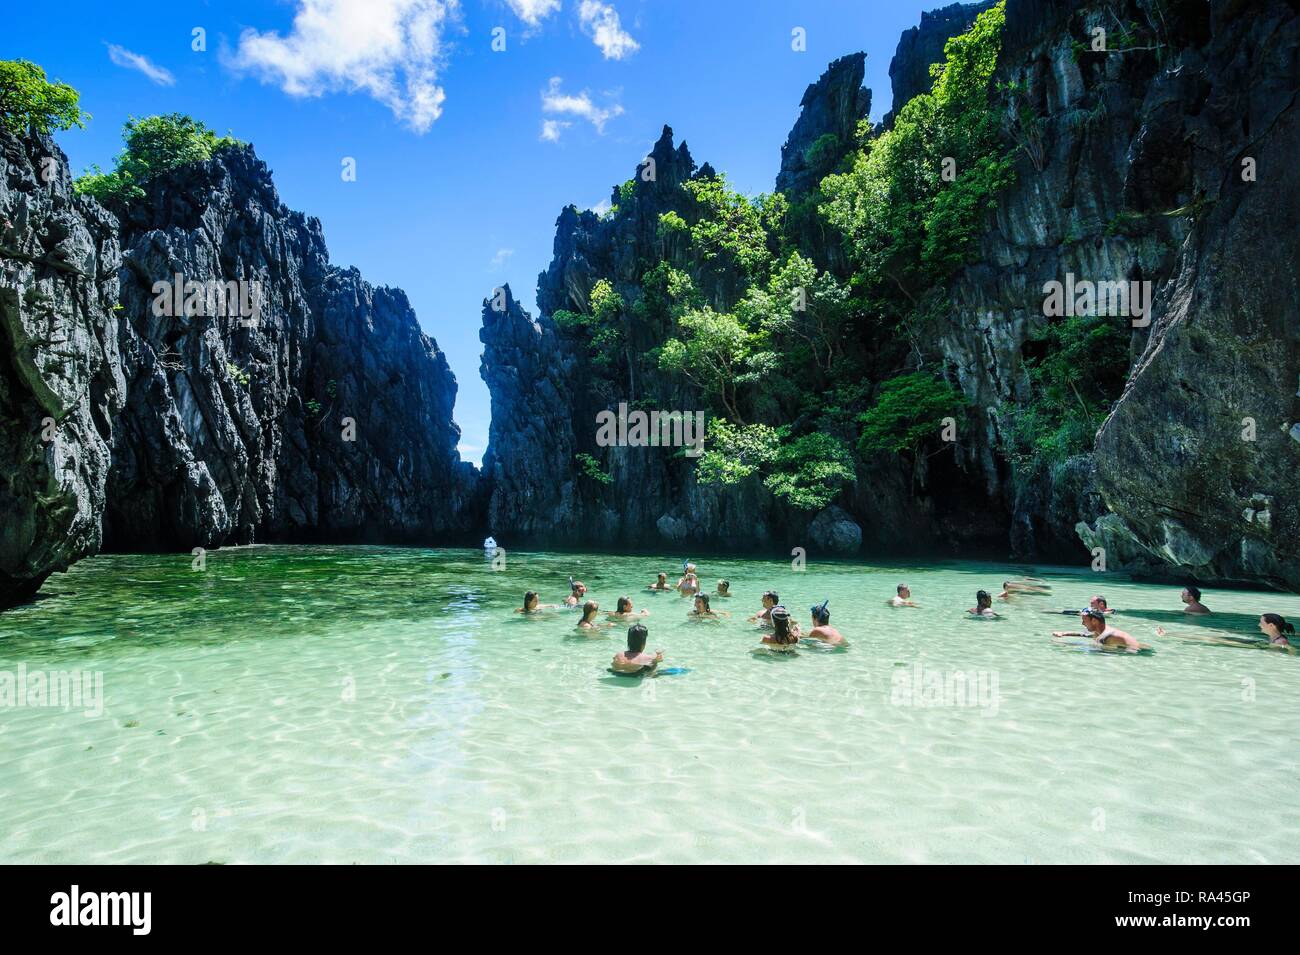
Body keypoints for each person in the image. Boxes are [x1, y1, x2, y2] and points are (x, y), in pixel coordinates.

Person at [1056, 609, 1145, 652]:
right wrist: (1063, 633)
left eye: (1084, 621)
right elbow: (1083, 634)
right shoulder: (1100, 632)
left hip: (1141, 653)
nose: (1082, 624)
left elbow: (1104, 651)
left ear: (1094, 621)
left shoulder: (1110, 636)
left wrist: (1069, 646)